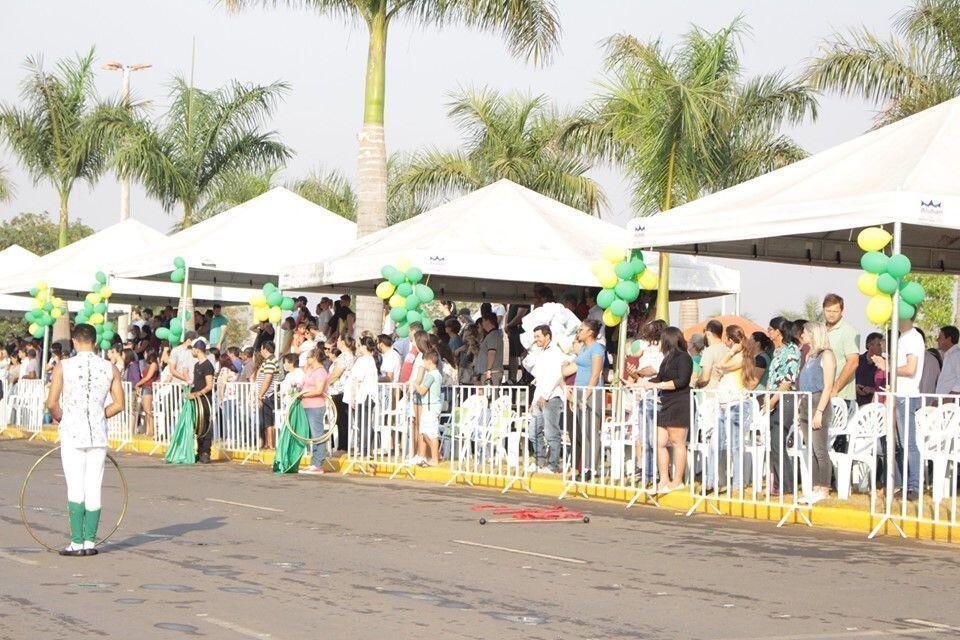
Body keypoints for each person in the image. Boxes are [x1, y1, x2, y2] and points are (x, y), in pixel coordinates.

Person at [46, 323, 125, 556]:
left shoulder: (64, 366)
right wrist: (100, 414)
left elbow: (51, 403)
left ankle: (76, 541)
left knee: (75, 486)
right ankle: (90, 542)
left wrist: (63, 418)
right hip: (98, 435)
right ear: (95, 341)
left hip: (72, 432)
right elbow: (119, 404)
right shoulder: (110, 368)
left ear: (74, 341)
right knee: (94, 486)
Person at [636, 327, 693, 493]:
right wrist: (639, 382)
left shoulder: (684, 358)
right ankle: (664, 480)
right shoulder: (667, 359)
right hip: (666, 402)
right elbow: (659, 378)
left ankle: (677, 481)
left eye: (662, 340)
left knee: (677, 442)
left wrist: (658, 385)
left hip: (679, 402)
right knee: (659, 441)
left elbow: (681, 381)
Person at [797, 322, 837, 504]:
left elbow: (828, 386)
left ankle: (824, 487)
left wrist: (819, 411)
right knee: (811, 449)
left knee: (820, 449)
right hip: (806, 402)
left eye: (805, 332)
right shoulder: (809, 356)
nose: (802, 335)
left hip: (818, 401)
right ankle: (814, 487)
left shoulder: (826, 355)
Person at [765, 317, 802, 496]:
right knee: (773, 443)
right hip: (773, 398)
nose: (768, 333)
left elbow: (787, 379)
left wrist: (773, 401)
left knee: (778, 441)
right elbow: (772, 377)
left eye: (770, 329)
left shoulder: (791, 350)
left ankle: (788, 485)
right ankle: (778, 483)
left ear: (778, 331)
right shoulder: (777, 351)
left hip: (785, 399)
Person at [527, 325, 565, 473]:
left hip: (552, 397)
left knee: (551, 433)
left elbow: (556, 375)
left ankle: (553, 465)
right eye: (535, 336)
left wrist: (546, 394)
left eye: (538, 336)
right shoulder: (541, 353)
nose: (536, 339)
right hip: (540, 397)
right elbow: (539, 379)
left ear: (547, 336)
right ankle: (540, 460)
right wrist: (533, 401)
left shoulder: (555, 352)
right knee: (533, 431)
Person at [823, 294, 860, 416]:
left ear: (842, 311)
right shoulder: (820, 330)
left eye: (835, 311)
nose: (831, 314)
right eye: (828, 310)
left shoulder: (848, 331)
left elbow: (853, 362)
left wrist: (835, 388)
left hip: (840, 396)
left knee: (838, 434)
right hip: (821, 394)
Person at [298, 347, 330, 474]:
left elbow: (318, 390)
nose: (307, 360)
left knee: (318, 435)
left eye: (309, 357)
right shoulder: (311, 370)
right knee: (312, 435)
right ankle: (314, 462)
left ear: (315, 358)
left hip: (315, 406)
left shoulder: (321, 372)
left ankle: (318, 463)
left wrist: (303, 395)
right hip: (306, 405)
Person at [187, 340, 215, 463]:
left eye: (192, 349)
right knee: (197, 426)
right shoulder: (197, 365)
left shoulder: (207, 365)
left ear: (197, 350)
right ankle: (199, 451)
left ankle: (205, 452)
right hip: (196, 401)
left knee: (205, 426)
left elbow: (209, 385)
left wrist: (197, 394)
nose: (191, 351)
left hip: (204, 400)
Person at [327, 336, 356, 453]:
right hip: (342, 391)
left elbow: (336, 373)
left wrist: (326, 383)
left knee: (342, 420)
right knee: (341, 419)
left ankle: (343, 447)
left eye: (338, 340)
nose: (337, 342)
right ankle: (342, 446)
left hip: (339, 391)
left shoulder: (344, 356)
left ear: (343, 342)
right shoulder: (350, 355)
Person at [414, 351, 443, 466]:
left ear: (429, 361)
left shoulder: (431, 375)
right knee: (425, 432)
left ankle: (435, 458)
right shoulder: (437, 374)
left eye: (424, 361)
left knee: (431, 433)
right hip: (430, 406)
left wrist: (415, 383)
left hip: (430, 406)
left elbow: (422, 390)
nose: (423, 363)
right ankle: (434, 456)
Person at [256, 341, 279, 450]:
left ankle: (270, 445)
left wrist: (260, 394)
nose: (260, 351)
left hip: (268, 395)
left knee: (268, 421)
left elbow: (267, 379)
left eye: (261, 349)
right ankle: (267, 444)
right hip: (266, 394)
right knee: (265, 420)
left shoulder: (270, 361)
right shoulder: (268, 361)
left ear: (265, 348)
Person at [695, 320, 728, 389]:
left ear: (708, 333)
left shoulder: (709, 351)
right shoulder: (728, 350)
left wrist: (696, 383)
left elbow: (705, 378)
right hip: (726, 393)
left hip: (710, 395)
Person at [855, 333, 884, 405]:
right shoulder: (856, 360)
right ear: (869, 345)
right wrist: (854, 387)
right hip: (855, 404)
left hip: (875, 405)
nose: (883, 348)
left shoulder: (885, 364)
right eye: (880, 345)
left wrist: (872, 390)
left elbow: (888, 387)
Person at [215, 352, 238, 441]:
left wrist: (220, 396)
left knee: (228, 418)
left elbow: (222, 383)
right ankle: (233, 436)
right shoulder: (233, 370)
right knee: (233, 417)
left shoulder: (224, 369)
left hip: (227, 396)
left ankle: (231, 437)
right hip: (234, 396)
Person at [504, 303, 530, 384]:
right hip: (512, 331)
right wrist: (506, 325)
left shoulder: (524, 300)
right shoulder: (513, 301)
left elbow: (520, 316)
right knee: (512, 355)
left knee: (522, 354)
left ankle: (524, 378)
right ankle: (512, 378)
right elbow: (508, 313)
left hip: (520, 330)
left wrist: (508, 325)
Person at [477, 313, 504, 385]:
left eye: (483, 321)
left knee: (491, 395)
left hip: (492, 373)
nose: (482, 324)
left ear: (488, 321)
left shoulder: (493, 335)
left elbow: (492, 353)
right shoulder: (491, 335)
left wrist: (489, 370)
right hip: (489, 372)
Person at [936, 326, 960, 396]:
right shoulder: (949, 355)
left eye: (940, 337)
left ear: (949, 339)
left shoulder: (957, 356)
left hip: (950, 403)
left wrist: (949, 399)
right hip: (944, 401)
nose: (937, 340)